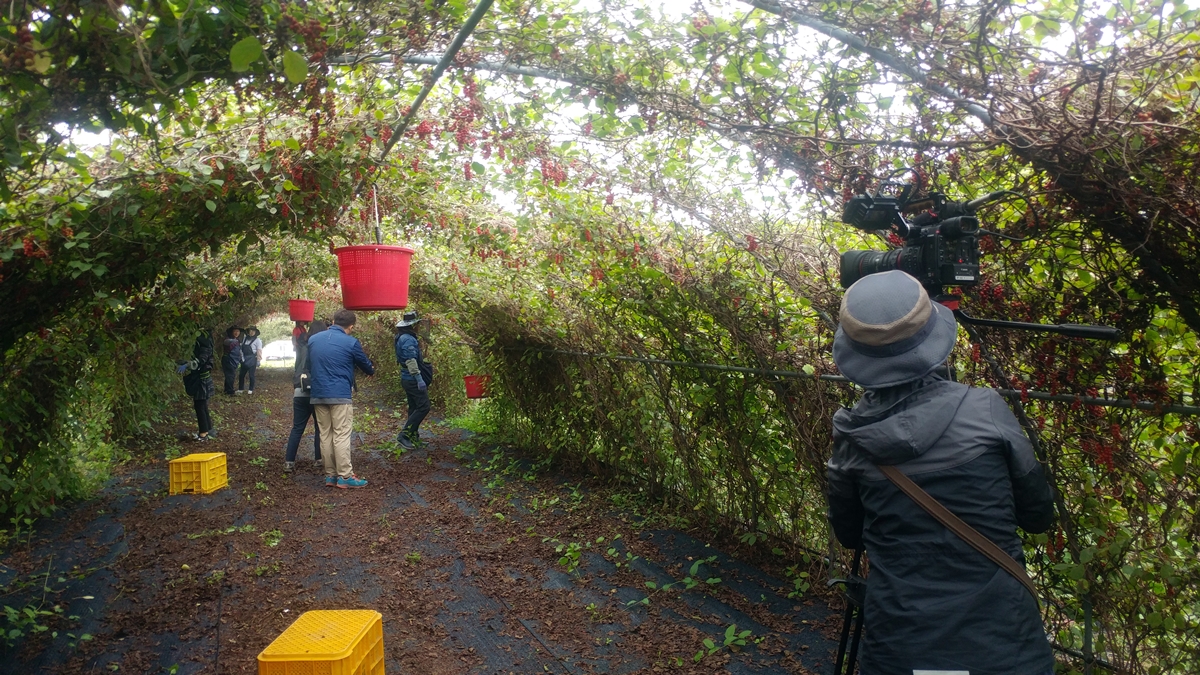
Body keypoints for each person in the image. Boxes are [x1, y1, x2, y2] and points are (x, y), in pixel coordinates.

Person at [825, 270, 1056, 675]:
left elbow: (849, 534)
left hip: (900, 644)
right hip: (1004, 643)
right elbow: (1038, 515)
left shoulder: (851, 439)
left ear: (855, 352)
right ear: (932, 334)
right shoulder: (985, 410)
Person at [307, 309, 375, 489]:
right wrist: (371, 370)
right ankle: (345, 476)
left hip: (318, 393)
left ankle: (331, 475)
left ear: (333, 321)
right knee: (341, 434)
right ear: (351, 326)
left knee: (325, 434)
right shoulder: (351, 342)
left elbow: (309, 365)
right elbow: (365, 365)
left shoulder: (313, 340)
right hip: (340, 394)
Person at [284, 320, 326, 473]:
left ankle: (289, 461)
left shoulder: (302, 346)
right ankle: (319, 459)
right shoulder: (321, 348)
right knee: (319, 427)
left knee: (297, 428)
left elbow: (298, 367)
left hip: (300, 391)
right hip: (316, 392)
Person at [394, 311, 432, 451]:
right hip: (412, 379)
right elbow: (411, 361)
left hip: (406, 378)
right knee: (424, 407)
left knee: (414, 407)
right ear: (413, 325)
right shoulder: (408, 339)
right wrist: (419, 379)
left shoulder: (401, 337)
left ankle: (412, 436)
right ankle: (404, 435)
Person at [178, 329, 216, 441]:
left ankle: (203, 433)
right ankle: (208, 430)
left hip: (202, 379)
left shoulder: (204, 345)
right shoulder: (205, 343)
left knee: (199, 406)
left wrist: (188, 365)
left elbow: (201, 361)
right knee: (202, 405)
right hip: (202, 377)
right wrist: (185, 362)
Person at [237, 325, 263, 394]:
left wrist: (258, 360)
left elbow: (259, 351)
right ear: (248, 331)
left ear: (255, 332)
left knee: (251, 375)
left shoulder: (258, 340)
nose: (251, 332)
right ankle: (240, 389)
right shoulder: (244, 339)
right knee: (241, 375)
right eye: (250, 331)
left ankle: (250, 389)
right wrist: (241, 357)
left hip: (252, 359)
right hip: (244, 358)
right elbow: (241, 348)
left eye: (253, 331)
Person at [221, 326, 243, 395]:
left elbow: (239, 351)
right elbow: (226, 342)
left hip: (234, 360)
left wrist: (241, 359)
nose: (236, 333)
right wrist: (233, 340)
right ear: (232, 332)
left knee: (230, 375)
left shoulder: (237, 341)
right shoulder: (228, 340)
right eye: (235, 331)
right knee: (230, 375)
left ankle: (227, 390)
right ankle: (230, 391)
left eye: (238, 331)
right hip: (228, 360)